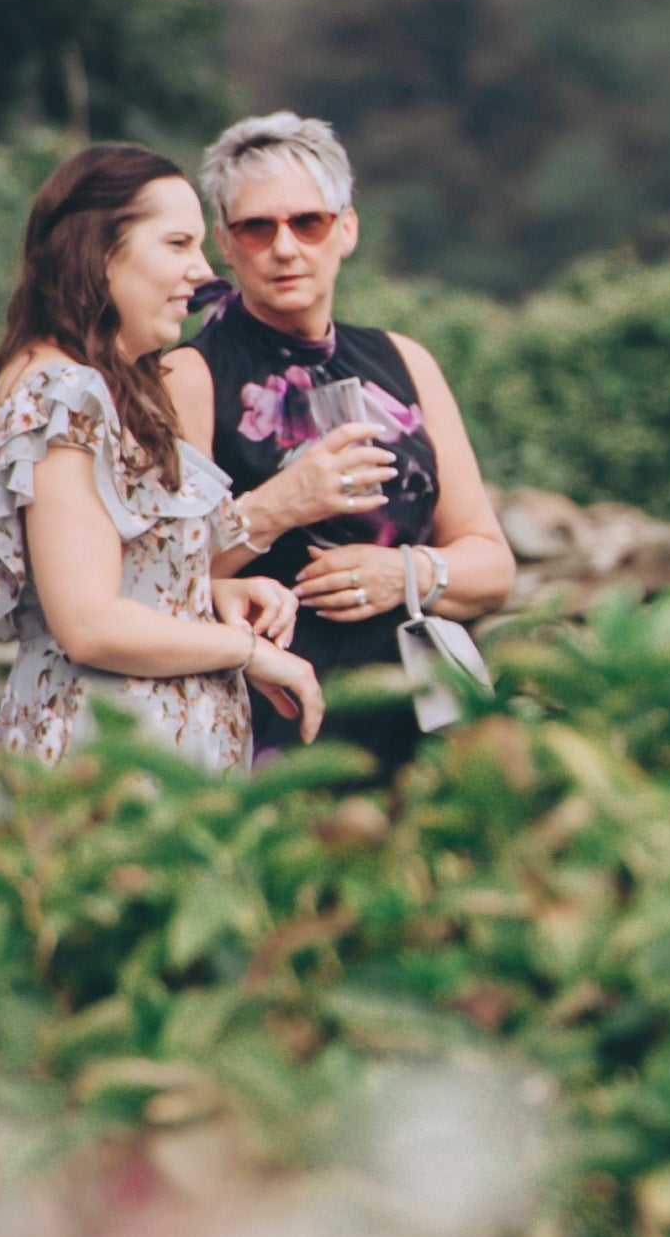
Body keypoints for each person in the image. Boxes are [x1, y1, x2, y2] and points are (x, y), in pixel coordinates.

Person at [168, 113, 517, 763]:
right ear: (224, 242)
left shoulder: (404, 361)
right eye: (256, 226)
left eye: (308, 222)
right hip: (276, 715)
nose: (285, 247)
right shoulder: (188, 376)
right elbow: (152, 575)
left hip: (418, 712)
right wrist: (282, 505)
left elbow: (492, 566)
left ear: (346, 229)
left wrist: (407, 571)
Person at [0, 143, 320, 771]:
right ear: (101, 251)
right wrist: (245, 650)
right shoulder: (62, 393)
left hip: (154, 753)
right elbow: (88, 624)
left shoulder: (106, 384)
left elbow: (126, 574)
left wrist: (205, 595)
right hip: (111, 760)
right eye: (179, 244)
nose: (203, 271)